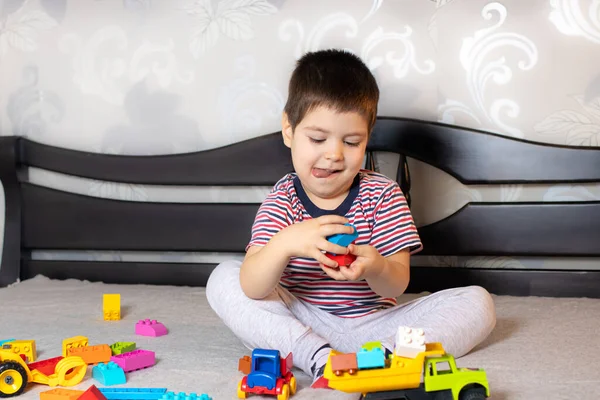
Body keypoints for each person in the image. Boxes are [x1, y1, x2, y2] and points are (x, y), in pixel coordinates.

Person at [206, 48, 496, 388]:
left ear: (367, 139)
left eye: (351, 141)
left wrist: (375, 266)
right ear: (289, 130)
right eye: (317, 138)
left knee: (478, 303)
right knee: (223, 278)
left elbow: (397, 284)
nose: (333, 154)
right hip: (302, 323)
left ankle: (381, 363)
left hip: (376, 327)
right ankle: (320, 359)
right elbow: (253, 286)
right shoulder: (282, 199)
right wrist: (285, 243)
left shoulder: (384, 196)